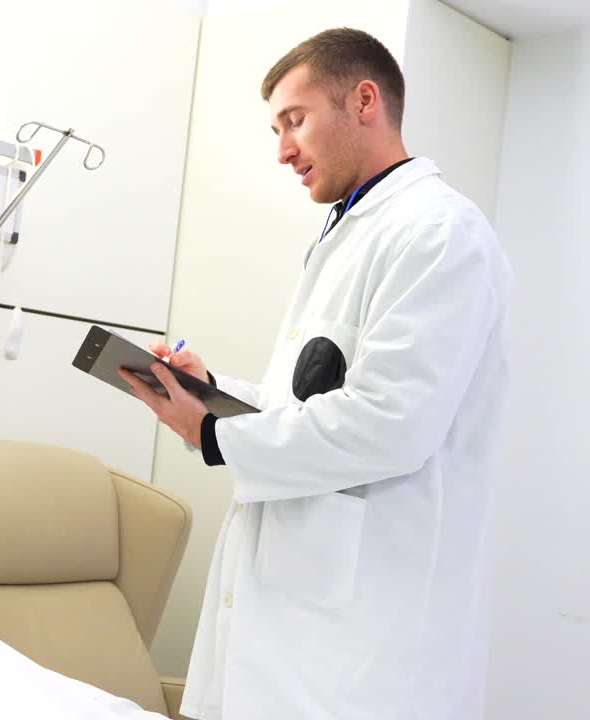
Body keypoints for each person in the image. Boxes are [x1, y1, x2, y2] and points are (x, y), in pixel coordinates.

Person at [119, 28, 511, 720]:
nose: (282, 151)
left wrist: (213, 434)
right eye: (276, 129)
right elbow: (302, 405)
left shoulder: (438, 232)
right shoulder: (349, 229)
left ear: (364, 101)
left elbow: (390, 424)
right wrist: (213, 391)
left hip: (370, 646)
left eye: (294, 121)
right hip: (302, 633)